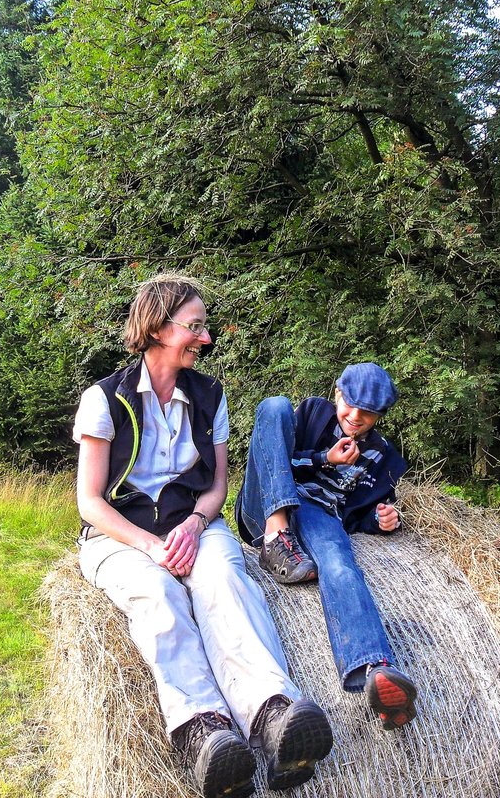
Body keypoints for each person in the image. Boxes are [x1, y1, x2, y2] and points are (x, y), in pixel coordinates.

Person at [74, 273, 332, 798]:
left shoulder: (211, 396)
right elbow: (90, 502)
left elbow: (217, 487)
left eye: (204, 327)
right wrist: (150, 547)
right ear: (157, 327)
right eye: (195, 327)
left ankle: (272, 715)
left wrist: (194, 524)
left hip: (194, 524)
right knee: (159, 597)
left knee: (226, 580)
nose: (206, 338)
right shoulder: (104, 400)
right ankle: (202, 731)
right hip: (119, 538)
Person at [235, 363, 417, 731]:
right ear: (337, 394)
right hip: (268, 502)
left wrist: (381, 519)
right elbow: (274, 463)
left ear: (380, 415)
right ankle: (276, 537)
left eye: (368, 412)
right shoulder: (312, 414)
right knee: (273, 405)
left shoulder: (383, 456)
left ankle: (373, 670)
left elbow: (359, 516)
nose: (356, 417)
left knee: (340, 565)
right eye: (350, 405)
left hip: (319, 515)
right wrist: (324, 459)